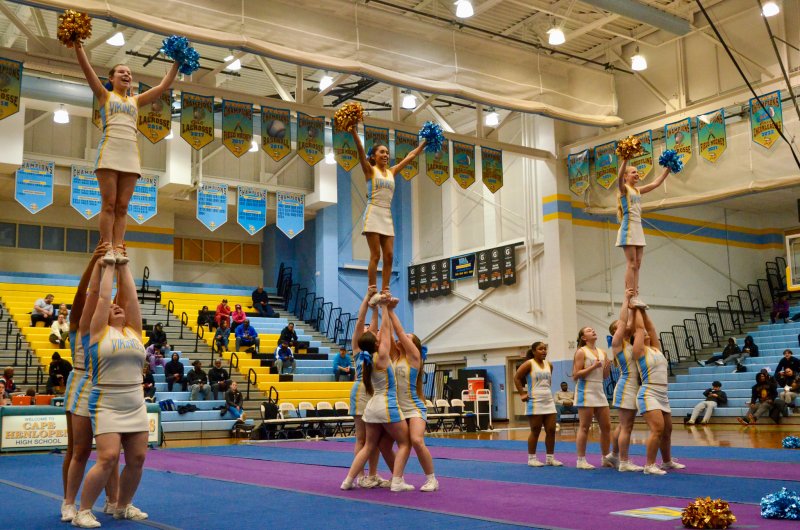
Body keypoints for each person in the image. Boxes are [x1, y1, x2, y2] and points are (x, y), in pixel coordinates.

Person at [74, 41, 178, 265]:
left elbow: (163, 86)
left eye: (129, 73)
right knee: (109, 204)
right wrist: (77, 45)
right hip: (109, 152)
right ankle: (106, 246)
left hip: (130, 154)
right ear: (111, 78)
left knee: (122, 206)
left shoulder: (136, 101)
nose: (127, 75)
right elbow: (87, 69)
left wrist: (177, 62)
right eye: (122, 71)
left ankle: (119, 246)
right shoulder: (104, 95)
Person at [73, 255, 148, 526]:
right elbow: (104, 298)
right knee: (108, 457)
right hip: (107, 400)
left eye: (120, 307)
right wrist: (108, 267)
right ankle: (83, 511)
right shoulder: (97, 333)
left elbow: (132, 298)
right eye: (111, 308)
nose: (117, 307)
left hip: (135, 401)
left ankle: (122, 506)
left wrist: (125, 266)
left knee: (137, 458)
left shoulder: (134, 332)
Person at [61, 244, 119, 524]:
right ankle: (69, 503)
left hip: (106, 383)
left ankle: (113, 500)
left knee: (110, 449)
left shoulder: (110, 326)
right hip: (81, 381)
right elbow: (80, 295)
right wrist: (95, 262)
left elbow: (118, 299)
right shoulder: (79, 323)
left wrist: (118, 265)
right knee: (79, 449)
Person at [350, 127, 426, 306]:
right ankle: (372, 290)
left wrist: (424, 143)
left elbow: (411, 156)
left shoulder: (392, 171)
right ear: (373, 156)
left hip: (386, 214)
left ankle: (385, 290)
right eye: (382, 152)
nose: (386, 155)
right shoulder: (370, 171)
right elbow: (360, 150)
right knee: (375, 255)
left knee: (390, 255)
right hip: (373, 213)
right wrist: (353, 132)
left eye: (387, 152)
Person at [342, 302, 414, 492]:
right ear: (375, 343)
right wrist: (384, 307)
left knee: (369, 445)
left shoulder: (366, 358)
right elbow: (386, 330)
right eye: (375, 336)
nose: (377, 334)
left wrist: (376, 309)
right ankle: (397, 481)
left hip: (372, 406)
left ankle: (348, 480)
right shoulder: (381, 356)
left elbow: (378, 332)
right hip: (385, 404)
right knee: (405, 442)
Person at [386, 298, 438, 491]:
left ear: (413, 345)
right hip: (397, 408)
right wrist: (384, 308)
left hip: (414, 407)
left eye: (408, 338)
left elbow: (399, 332)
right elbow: (389, 333)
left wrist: (392, 310)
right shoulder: (395, 356)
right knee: (387, 444)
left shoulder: (414, 358)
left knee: (416, 440)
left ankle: (431, 479)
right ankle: (397, 479)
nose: (402, 338)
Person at [348, 290, 393, 489]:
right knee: (361, 438)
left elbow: (372, 326)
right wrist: (367, 299)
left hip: (374, 391)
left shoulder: (372, 348)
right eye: (365, 328)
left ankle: (373, 475)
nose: (368, 328)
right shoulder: (357, 349)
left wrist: (375, 307)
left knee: (373, 438)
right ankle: (360, 476)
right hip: (361, 391)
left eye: (370, 329)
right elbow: (360, 321)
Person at [632, 307, 685, 475]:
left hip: (662, 394)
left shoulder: (656, 349)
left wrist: (643, 310)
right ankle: (649, 465)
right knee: (657, 429)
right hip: (648, 393)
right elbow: (640, 327)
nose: (646, 333)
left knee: (667, 430)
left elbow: (651, 328)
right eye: (642, 334)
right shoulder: (639, 352)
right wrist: (635, 308)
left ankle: (667, 461)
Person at [615, 157, 671, 308]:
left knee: (638, 264)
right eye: (633, 172)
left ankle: (636, 295)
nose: (637, 174)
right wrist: (625, 161)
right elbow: (618, 177)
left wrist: (668, 169)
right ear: (626, 176)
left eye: (637, 172)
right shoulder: (624, 189)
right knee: (631, 263)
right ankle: (630, 295)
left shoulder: (637, 190)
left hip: (638, 227)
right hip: (628, 228)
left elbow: (655, 183)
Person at [609, 288, 643, 472]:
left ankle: (614, 455)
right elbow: (624, 322)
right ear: (616, 331)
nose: (625, 325)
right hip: (626, 386)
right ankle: (624, 462)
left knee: (624, 426)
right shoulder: (617, 343)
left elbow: (629, 322)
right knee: (626, 427)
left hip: (633, 386)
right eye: (620, 326)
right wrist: (626, 299)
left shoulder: (629, 344)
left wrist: (633, 305)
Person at [514, 342, 562, 468]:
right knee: (535, 430)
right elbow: (517, 378)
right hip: (535, 401)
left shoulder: (549, 365)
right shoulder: (529, 364)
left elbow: (548, 382)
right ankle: (532, 458)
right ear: (534, 351)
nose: (544, 351)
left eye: (545, 349)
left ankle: (550, 458)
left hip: (548, 400)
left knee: (551, 430)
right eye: (540, 349)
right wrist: (522, 393)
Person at [572, 326, 613, 470]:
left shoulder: (603, 352)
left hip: (599, 390)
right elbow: (576, 375)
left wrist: (607, 367)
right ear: (584, 338)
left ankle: (605, 458)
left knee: (606, 427)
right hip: (585, 390)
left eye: (593, 329)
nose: (593, 331)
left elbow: (605, 376)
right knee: (584, 427)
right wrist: (593, 367)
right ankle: (581, 460)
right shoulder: (581, 352)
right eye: (589, 330)